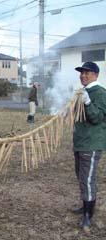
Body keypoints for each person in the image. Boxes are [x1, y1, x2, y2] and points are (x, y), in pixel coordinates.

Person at [72, 61, 106, 229]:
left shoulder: (100, 92)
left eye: (87, 72)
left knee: (87, 179)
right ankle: (86, 204)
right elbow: (78, 116)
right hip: (80, 142)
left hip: (91, 143)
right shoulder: (83, 92)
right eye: (81, 72)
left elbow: (97, 118)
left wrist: (87, 102)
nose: (83, 75)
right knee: (82, 176)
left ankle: (88, 214)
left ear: (96, 75)